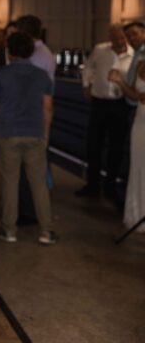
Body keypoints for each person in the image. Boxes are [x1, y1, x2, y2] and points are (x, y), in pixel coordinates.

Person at [0, 32, 57, 245]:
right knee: (38, 183)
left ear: (10, 51)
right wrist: (45, 133)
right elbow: (47, 107)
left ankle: (9, 231)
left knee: (9, 182)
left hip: (8, 132)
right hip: (35, 132)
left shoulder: (2, 73)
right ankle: (46, 231)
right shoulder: (42, 75)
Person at [76, 25, 134, 199]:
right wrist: (86, 85)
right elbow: (88, 67)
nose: (119, 41)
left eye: (122, 38)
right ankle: (93, 185)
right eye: (115, 38)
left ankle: (110, 187)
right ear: (110, 38)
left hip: (121, 104)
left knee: (116, 148)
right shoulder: (100, 49)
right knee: (93, 145)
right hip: (99, 103)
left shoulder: (134, 55)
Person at [108, 55, 145, 233]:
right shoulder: (141, 64)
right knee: (138, 167)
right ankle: (137, 214)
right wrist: (120, 81)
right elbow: (134, 95)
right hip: (140, 121)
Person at [16, 14, 55, 82]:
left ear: (23, 32)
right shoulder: (40, 50)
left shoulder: (37, 54)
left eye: (18, 32)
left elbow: (26, 81)